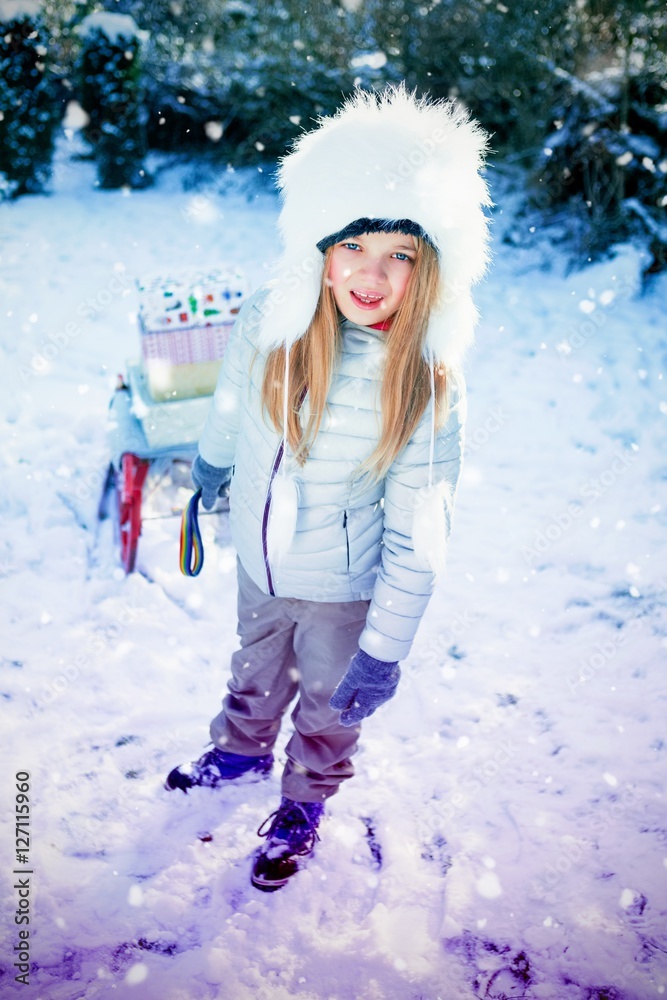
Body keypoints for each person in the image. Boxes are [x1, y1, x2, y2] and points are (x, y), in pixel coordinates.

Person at [165, 85, 491, 891]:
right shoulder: (268, 323)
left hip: (343, 587)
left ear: (430, 269)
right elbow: (232, 404)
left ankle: (305, 799)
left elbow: (422, 532)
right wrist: (211, 463)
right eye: (354, 247)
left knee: (327, 704)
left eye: (400, 255)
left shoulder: (422, 384)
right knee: (254, 664)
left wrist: (381, 651)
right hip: (259, 560)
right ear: (320, 249)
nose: (372, 275)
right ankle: (240, 750)